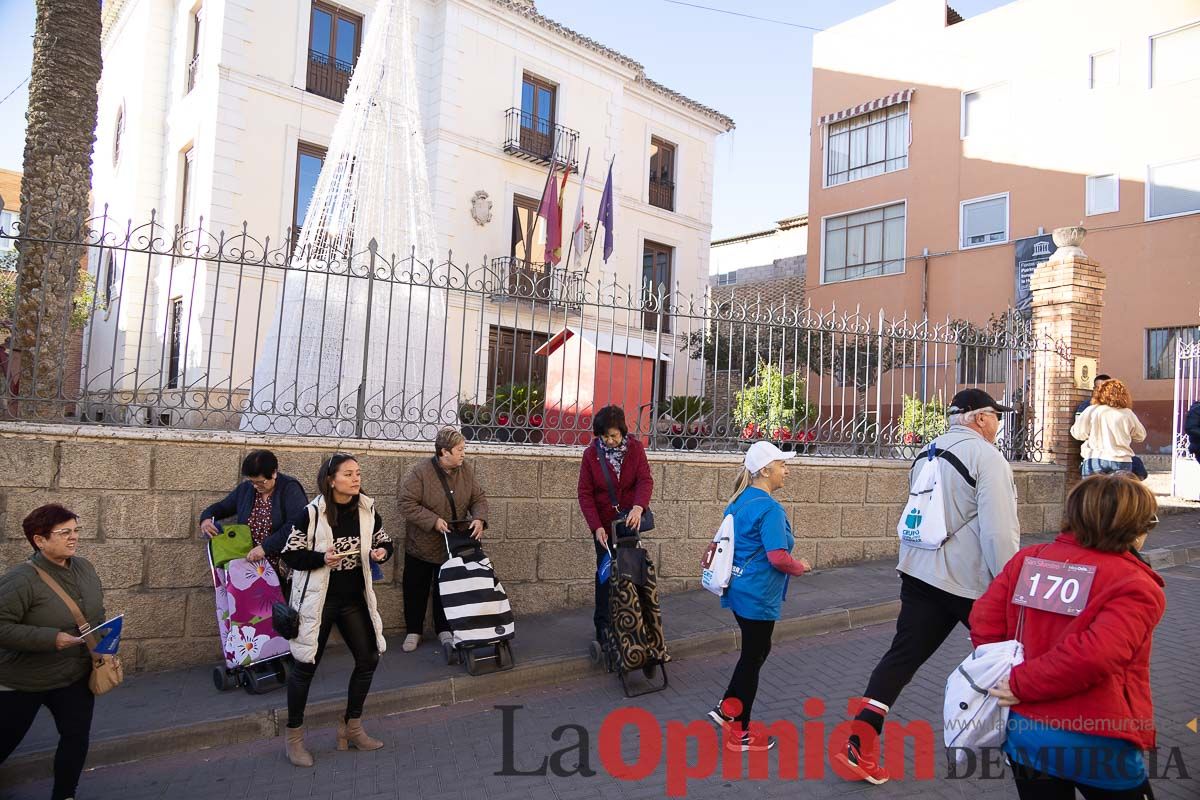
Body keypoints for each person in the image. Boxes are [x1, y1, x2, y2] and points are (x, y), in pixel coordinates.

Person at [836, 388, 1021, 785]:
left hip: (920, 575)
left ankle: (858, 742)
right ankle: (1025, 748)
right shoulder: (988, 458)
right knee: (1011, 660)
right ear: (981, 419)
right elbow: (999, 531)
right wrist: (1008, 585)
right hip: (970, 585)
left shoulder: (927, 452)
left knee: (900, 659)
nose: (999, 426)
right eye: (997, 418)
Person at [970, 474, 1164, 799]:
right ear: (1132, 526)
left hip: (1025, 731)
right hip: (1095, 736)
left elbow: (984, 621)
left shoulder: (1029, 559)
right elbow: (1094, 656)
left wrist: (1008, 678)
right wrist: (1019, 683)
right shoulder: (1134, 583)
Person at [280, 453, 392, 767]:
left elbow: (385, 541)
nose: (356, 479)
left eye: (358, 473)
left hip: (353, 599)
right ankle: (294, 739)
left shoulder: (366, 509)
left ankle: (351, 727)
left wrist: (382, 552)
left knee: (369, 657)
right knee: (305, 666)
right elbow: (290, 554)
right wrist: (320, 559)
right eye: (348, 474)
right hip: (319, 600)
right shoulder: (312, 513)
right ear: (331, 479)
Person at [706, 441, 810, 752]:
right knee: (753, 659)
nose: (786, 470)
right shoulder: (769, 508)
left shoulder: (739, 502)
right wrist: (800, 566)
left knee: (755, 653)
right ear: (765, 470)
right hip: (758, 595)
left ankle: (727, 709)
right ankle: (740, 732)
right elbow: (778, 557)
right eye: (781, 465)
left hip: (738, 590)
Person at [0, 504, 105, 800]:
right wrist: (50, 638)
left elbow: (94, 612)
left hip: (73, 675)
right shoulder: (21, 579)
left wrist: (105, 640)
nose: (73, 538)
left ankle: (65, 794)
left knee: (75, 738)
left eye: (75, 531)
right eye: (64, 533)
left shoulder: (84, 567)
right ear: (40, 540)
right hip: (24, 680)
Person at [398, 427, 489, 653]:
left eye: (463, 449)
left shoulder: (465, 470)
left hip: (452, 545)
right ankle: (413, 631)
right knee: (415, 588)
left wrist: (479, 518)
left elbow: (478, 497)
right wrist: (433, 520)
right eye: (459, 450)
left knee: (447, 588)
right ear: (443, 452)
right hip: (421, 544)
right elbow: (406, 503)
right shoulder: (420, 472)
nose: (463, 454)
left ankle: (444, 629)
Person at [577, 405, 654, 644]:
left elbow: (645, 480)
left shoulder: (636, 449)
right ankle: (603, 626)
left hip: (628, 523)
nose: (609, 441)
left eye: (613, 436)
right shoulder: (591, 456)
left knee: (633, 572)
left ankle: (635, 622)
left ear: (622, 432)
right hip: (603, 527)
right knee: (605, 575)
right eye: (604, 436)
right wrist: (596, 526)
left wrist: (639, 507)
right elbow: (585, 493)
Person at [200, 449, 308, 589]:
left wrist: (265, 548)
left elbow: (296, 524)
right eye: (252, 482)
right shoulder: (246, 490)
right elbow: (223, 507)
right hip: (249, 567)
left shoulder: (289, 488)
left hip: (280, 568)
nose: (256, 486)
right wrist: (206, 518)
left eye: (261, 482)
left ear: (274, 473)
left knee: (277, 608)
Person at [1070, 379, 1146, 477]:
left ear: (1100, 393)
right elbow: (1140, 436)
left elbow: (1078, 433)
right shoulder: (1127, 413)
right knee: (1119, 492)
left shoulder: (1092, 410)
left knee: (1092, 492)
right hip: (1121, 460)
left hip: (1095, 458)